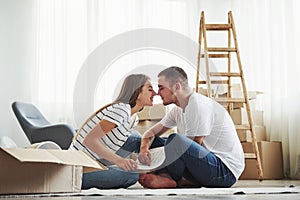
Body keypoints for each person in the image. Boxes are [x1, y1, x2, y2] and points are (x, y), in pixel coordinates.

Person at [138, 66, 245, 188]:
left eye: (161, 88)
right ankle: (168, 177)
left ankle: (169, 178)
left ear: (177, 87)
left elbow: (193, 147)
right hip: (205, 164)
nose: (157, 93)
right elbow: (150, 133)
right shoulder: (177, 110)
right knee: (155, 141)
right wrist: (144, 149)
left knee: (175, 140)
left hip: (224, 172)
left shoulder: (198, 105)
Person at [69, 74, 157, 189]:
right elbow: (89, 140)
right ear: (137, 93)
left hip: (97, 161)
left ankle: (161, 173)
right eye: (150, 89)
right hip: (79, 169)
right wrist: (120, 161)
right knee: (132, 176)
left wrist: (142, 150)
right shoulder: (121, 110)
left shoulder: (133, 117)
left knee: (137, 139)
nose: (155, 93)